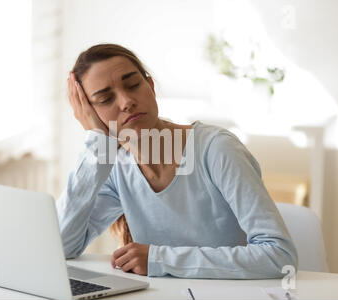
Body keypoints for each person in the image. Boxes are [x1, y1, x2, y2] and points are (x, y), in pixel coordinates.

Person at [56, 43, 298, 279]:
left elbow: (279, 256)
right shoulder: (114, 166)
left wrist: (160, 259)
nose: (126, 102)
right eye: (105, 99)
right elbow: (61, 247)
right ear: (89, 114)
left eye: (133, 85)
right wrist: (97, 143)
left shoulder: (216, 149)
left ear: (150, 85)